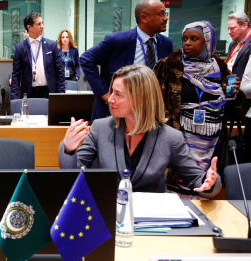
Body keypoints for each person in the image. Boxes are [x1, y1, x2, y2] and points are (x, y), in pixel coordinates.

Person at [59, 65, 221, 198]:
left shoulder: (171, 137)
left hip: (151, 221)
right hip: (108, 215)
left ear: (140, 99)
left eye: (118, 94)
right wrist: (68, 148)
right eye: (112, 91)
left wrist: (210, 182)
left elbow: (197, 180)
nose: (110, 99)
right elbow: (72, 175)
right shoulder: (100, 128)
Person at [154, 21, 239, 198]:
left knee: (205, 187)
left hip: (212, 139)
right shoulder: (169, 65)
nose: (187, 43)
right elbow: (153, 100)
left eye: (194, 38)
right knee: (179, 184)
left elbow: (233, 106)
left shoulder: (219, 66)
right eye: (185, 38)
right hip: (181, 137)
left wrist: (233, 93)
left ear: (208, 42)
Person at [80, 0, 172, 124]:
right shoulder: (117, 40)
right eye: (161, 14)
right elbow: (86, 59)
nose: (166, 18)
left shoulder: (166, 43)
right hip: (116, 111)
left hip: (150, 111)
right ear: (144, 17)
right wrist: (105, 92)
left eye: (165, 13)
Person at [10, 11, 65, 99]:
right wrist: (13, 98)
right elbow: (16, 75)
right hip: (29, 93)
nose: (42, 26)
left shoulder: (51, 45)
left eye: (42, 23)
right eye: (38, 24)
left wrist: (61, 94)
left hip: (49, 92)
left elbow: (60, 72)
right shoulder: (20, 48)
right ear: (29, 27)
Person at [226, 12, 251, 162]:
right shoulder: (233, 44)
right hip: (230, 94)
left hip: (244, 97)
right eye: (228, 29)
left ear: (245, 25)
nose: (229, 32)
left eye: (233, 28)